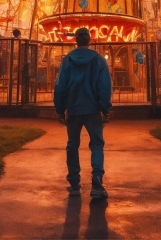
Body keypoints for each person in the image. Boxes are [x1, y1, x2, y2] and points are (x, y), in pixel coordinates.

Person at [54, 27, 112, 199]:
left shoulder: (67, 61)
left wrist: (59, 108)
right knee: (96, 144)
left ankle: (73, 183)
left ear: (75, 40)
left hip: (73, 109)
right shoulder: (99, 60)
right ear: (90, 40)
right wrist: (106, 108)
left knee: (72, 144)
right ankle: (97, 178)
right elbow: (104, 86)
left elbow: (60, 86)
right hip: (93, 109)